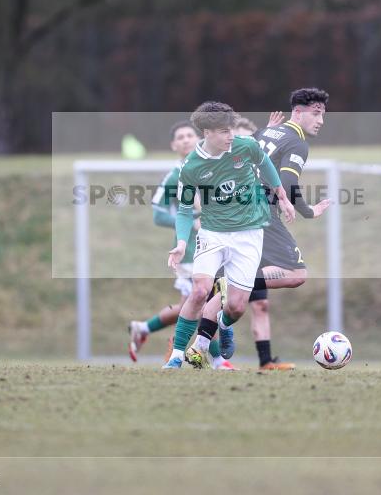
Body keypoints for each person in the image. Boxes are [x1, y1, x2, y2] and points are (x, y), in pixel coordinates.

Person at [163, 101, 295, 369]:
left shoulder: (244, 146)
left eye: (231, 130)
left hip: (249, 235)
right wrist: (180, 243)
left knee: (235, 307)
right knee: (199, 291)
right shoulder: (191, 167)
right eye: (224, 131)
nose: (230, 136)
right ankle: (177, 356)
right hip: (213, 234)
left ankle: (223, 325)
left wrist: (282, 196)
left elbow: (265, 161)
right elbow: (185, 210)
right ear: (207, 133)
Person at [228, 94, 331, 370]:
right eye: (317, 113)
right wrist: (308, 211)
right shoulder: (296, 142)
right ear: (297, 112)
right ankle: (233, 283)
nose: (321, 120)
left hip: (239, 210)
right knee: (296, 274)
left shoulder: (267, 132)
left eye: (323, 114)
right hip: (260, 212)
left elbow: (254, 155)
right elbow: (286, 182)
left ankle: (202, 347)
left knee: (242, 302)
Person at [127, 120, 235, 370]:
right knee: (203, 301)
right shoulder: (176, 174)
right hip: (190, 249)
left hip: (220, 243)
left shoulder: (215, 165)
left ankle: (145, 329)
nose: (186, 139)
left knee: (203, 301)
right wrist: (194, 222)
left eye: (190, 135)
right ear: (174, 145)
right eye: (180, 137)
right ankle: (215, 359)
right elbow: (158, 213)